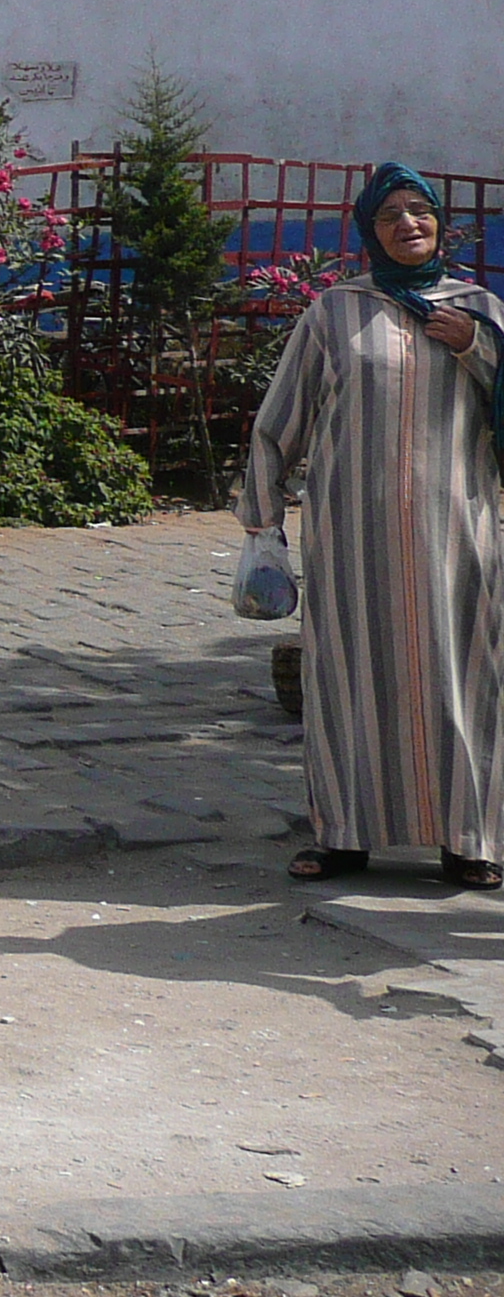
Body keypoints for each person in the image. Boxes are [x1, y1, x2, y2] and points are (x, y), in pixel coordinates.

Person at [238, 162, 504, 889]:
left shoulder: (479, 307)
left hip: (458, 533)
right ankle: (343, 835)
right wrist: (263, 525)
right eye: (390, 217)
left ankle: (468, 838)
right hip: (353, 536)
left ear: (441, 224)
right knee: (347, 678)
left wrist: (473, 347)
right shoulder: (334, 313)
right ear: (368, 232)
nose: (408, 226)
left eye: (420, 212)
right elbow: (279, 421)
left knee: (463, 676)